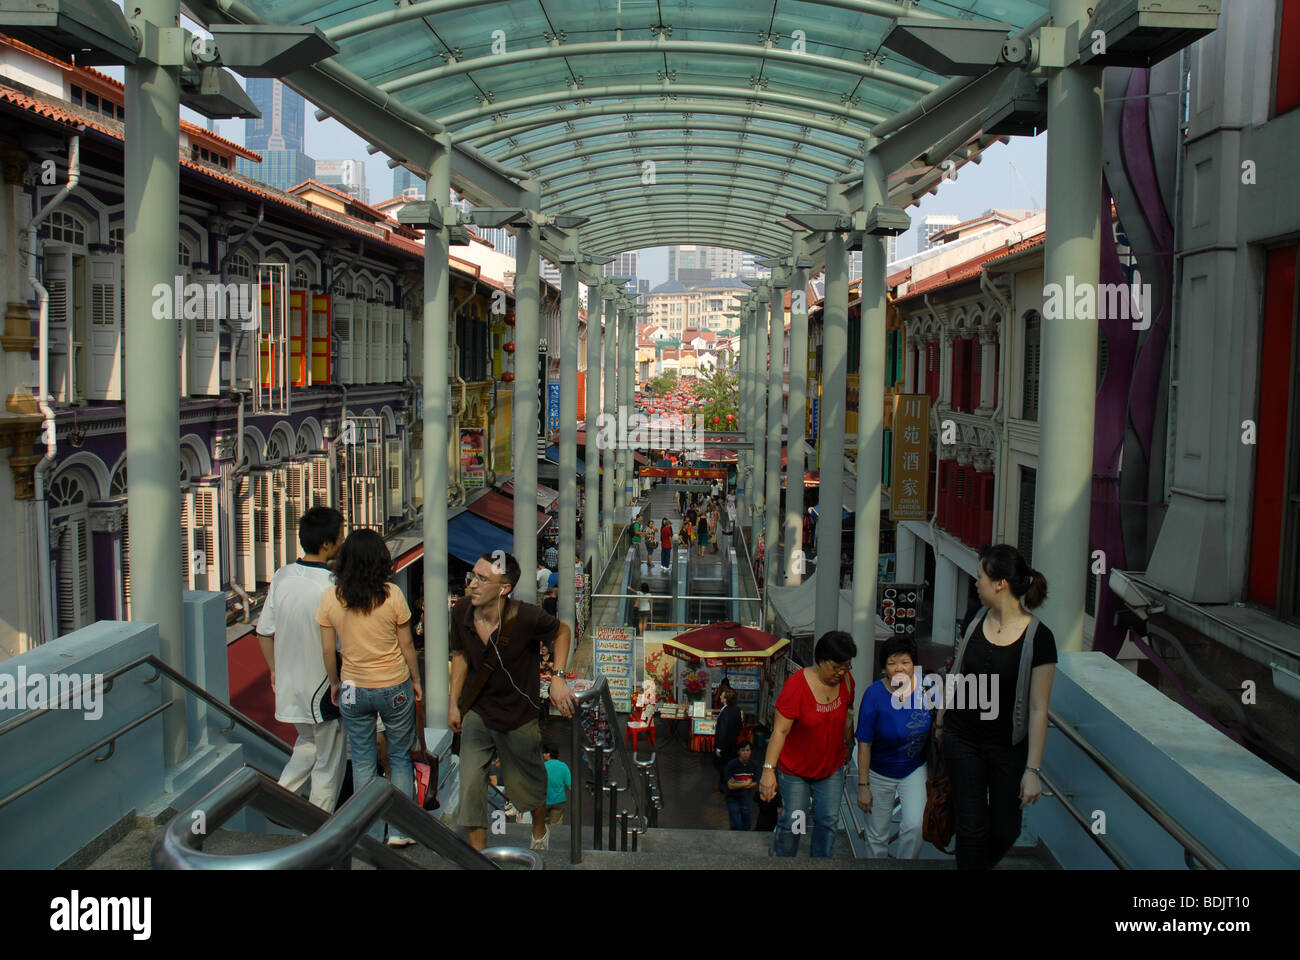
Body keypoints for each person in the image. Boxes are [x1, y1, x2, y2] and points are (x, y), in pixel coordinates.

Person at [938, 544, 1056, 870]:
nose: (976, 583)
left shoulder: (1039, 638)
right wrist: (941, 719)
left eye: (980, 577)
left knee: (1006, 828)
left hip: (1008, 747)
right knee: (971, 826)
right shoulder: (975, 620)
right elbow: (958, 672)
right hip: (962, 739)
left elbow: (1038, 709)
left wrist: (1033, 771)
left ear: (1000, 583)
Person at [449, 552, 577, 852]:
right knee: (470, 786)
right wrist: (454, 703)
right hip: (478, 712)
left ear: (504, 588)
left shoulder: (526, 616)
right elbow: (460, 657)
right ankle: (478, 856)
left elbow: (562, 631)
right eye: (474, 575)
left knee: (530, 784)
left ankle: (538, 831)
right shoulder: (462, 611)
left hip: (519, 714)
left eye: (483, 579)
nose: (473, 584)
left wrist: (558, 676)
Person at [317, 529, 421, 845]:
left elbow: (326, 649)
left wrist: (334, 683)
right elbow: (407, 645)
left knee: (363, 760)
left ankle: (370, 832)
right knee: (400, 757)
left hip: (352, 687)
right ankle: (401, 830)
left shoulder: (331, 598)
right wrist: (416, 680)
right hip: (393, 684)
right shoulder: (392, 595)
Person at [256, 507, 346, 813]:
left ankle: (282, 800)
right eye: (339, 536)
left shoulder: (283, 575)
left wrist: (273, 670)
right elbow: (338, 643)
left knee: (307, 744)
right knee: (329, 760)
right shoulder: (333, 584)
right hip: (322, 684)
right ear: (327, 544)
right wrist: (337, 681)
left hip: (290, 682)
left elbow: (264, 631)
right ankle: (319, 824)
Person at [759, 631, 857, 858]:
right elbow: (780, 731)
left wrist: (849, 744)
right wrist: (768, 771)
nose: (841, 673)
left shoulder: (847, 683)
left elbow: (848, 713)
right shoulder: (797, 686)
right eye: (836, 667)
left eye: (846, 667)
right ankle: (784, 860)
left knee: (828, 821)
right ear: (821, 661)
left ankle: (819, 863)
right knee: (795, 820)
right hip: (796, 770)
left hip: (830, 767)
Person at [856, 635, 931, 859]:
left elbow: (944, 716)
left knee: (916, 826)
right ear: (884, 667)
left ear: (914, 665)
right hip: (879, 771)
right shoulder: (874, 695)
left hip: (914, 768)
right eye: (892, 663)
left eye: (905, 662)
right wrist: (863, 785)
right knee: (877, 835)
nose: (899, 668)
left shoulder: (928, 686)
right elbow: (864, 744)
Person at [724, 740, 760, 831]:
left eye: (748, 750)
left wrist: (738, 784)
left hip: (746, 798)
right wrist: (746, 783)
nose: (745, 753)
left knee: (747, 824)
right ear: (738, 752)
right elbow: (730, 786)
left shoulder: (754, 765)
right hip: (732, 798)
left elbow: (755, 782)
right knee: (737, 823)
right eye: (743, 750)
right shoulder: (732, 764)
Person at [714, 687, 741, 790]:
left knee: (721, 765)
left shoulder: (725, 713)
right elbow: (739, 726)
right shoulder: (736, 709)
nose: (720, 696)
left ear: (725, 699)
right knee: (728, 764)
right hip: (732, 744)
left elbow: (723, 731)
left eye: (722, 695)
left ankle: (725, 785)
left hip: (724, 745)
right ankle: (724, 784)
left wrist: (718, 748)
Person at [542, 744, 571, 824]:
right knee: (556, 825)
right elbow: (570, 785)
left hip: (544, 800)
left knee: (542, 825)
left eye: (545, 753)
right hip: (559, 801)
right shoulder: (563, 766)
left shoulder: (542, 766)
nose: (543, 755)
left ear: (549, 754)